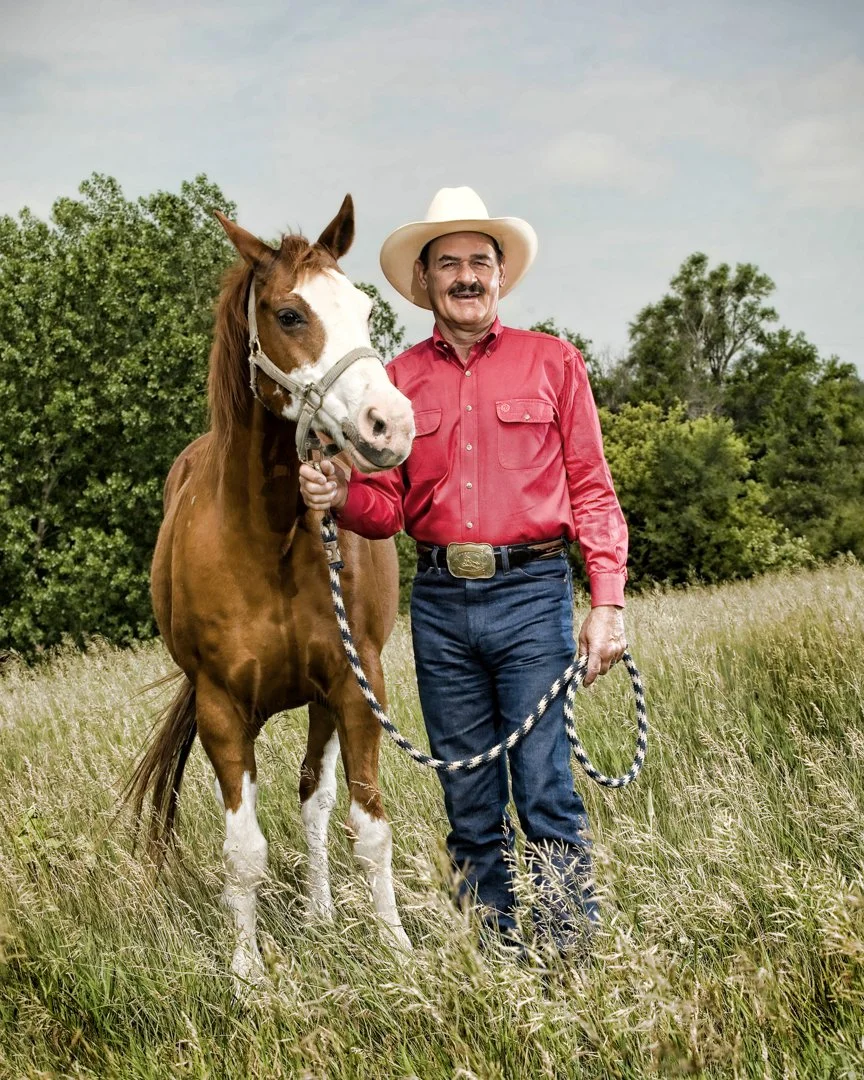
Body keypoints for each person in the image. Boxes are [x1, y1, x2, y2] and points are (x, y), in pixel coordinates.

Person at [299, 187, 628, 955]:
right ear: (426, 283)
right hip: (442, 604)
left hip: (535, 594)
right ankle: (496, 954)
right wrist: (342, 493)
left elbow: (593, 491)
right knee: (468, 799)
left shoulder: (555, 363)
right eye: (449, 264)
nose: (467, 276)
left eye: (481, 261)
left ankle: (570, 957)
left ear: (502, 277)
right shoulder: (398, 380)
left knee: (546, 790)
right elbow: (384, 508)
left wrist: (606, 601)